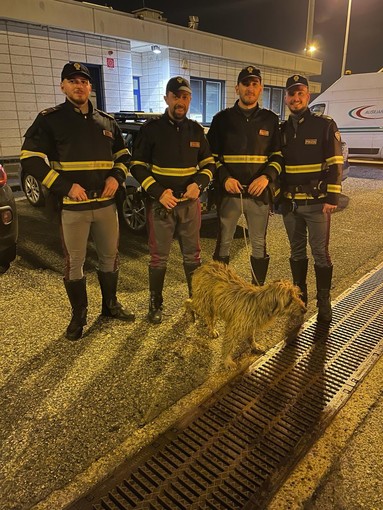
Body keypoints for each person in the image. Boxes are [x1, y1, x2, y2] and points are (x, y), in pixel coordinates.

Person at [20, 62, 135, 341]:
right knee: (75, 263)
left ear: (90, 86)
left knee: (110, 257)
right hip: (73, 208)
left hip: (106, 205)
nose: (78, 85)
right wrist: (64, 185)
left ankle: (110, 306)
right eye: (72, 81)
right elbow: (30, 159)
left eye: (83, 81)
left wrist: (116, 178)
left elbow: (124, 156)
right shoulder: (50, 119)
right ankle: (79, 315)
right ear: (63, 86)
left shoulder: (106, 121)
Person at [130, 76, 215, 324]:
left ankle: (195, 301)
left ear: (190, 100)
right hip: (161, 205)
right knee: (159, 257)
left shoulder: (196, 130)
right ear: (167, 98)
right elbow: (136, 165)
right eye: (176, 96)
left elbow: (209, 163)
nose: (180, 101)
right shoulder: (151, 129)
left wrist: (198, 185)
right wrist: (158, 192)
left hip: (189, 205)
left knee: (194, 257)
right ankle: (155, 303)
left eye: (185, 97)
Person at [207, 66, 283, 285]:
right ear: (236, 88)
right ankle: (220, 292)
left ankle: (256, 295)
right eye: (246, 84)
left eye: (254, 84)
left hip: (259, 195)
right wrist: (224, 178)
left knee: (259, 244)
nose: (250, 88)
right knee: (224, 244)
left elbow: (278, 156)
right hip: (229, 193)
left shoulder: (270, 120)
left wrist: (266, 177)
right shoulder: (221, 119)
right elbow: (211, 157)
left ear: (261, 89)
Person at [280, 74, 343, 322]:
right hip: (291, 205)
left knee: (319, 252)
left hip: (317, 204)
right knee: (296, 252)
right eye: (291, 94)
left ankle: (324, 301)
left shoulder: (324, 125)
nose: (296, 98)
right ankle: (300, 296)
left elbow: (336, 163)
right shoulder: (281, 130)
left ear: (308, 96)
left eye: (300, 93)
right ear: (286, 98)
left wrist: (332, 198)